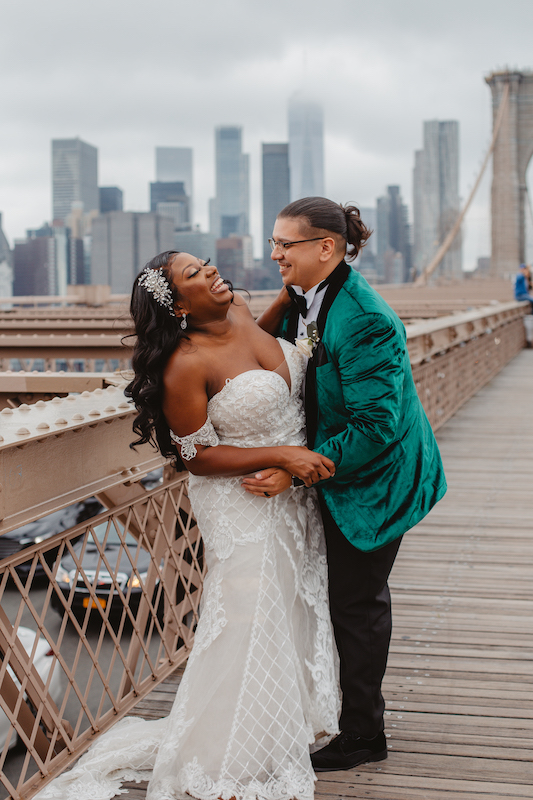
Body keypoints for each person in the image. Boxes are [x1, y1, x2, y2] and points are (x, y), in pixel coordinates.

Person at [36, 250, 340, 800]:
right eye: (197, 274)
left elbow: (261, 347)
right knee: (248, 614)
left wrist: (289, 294)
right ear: (178, 305)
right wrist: (284, 456)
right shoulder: (184, 364)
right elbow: (196, 458)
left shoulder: (244, 308)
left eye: (205, 262)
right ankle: (231, 754)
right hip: (240, 498)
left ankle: (282, 727)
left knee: (291, 601)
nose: (212, 271)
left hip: (289, 491)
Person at [243, 197, 447, 772]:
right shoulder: (309, 298)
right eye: (273, 242)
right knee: (341, 599)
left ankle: (364, 734)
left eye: (286, 244)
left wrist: (293, 467)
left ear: (326, 248)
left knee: (356, 602)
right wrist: (287, 292)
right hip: (341, 467)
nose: (275, 253)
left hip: (379, 478)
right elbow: (254, 345)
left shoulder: (365, 319)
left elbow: (375, 428)